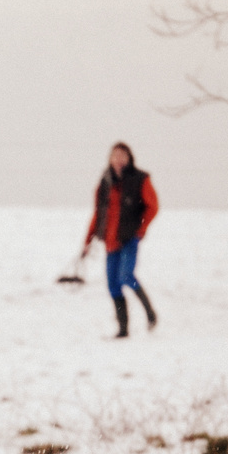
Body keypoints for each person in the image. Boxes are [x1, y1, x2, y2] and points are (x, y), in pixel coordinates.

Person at [82, 142, 159, 337]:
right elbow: (98, 214)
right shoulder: (105, 183)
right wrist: (88, 241)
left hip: (129, 238)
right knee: (113, 285)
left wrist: (140, 229)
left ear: (129, 158)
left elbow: (153, 207)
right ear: (109, 158)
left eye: (122, 155)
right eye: (115, 155)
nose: (118, 159)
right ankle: (123, 329)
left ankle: (150, 313)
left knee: (126, 276)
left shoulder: (140, 179)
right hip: (110, 240)